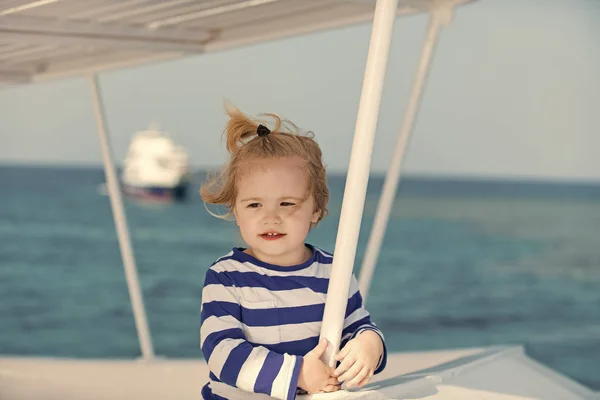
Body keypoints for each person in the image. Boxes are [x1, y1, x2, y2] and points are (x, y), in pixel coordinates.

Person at [199, 104, 387, 400]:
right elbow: (222, 353)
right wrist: (298, 373)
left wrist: (370, 344)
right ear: (236, 211)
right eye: (254, 205)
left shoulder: (333, 272)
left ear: (316, 209)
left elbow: (356, 324)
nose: (270, 217)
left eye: (287, 203)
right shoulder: (227, 277)